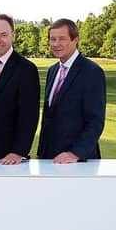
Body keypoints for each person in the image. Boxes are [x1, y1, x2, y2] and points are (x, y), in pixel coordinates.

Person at [0, 14, 40, 165]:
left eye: (4, 35)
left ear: (13, 36)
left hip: (11, 159)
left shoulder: (26, 69)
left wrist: (18, 151)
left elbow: (29, 116)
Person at [37, 18, 106, 163]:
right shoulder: (53, 71)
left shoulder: (92, 72)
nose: (56, 44)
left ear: (75, 40)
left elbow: (95, 121)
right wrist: (41, 152)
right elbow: (48, 118)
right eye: (52, 39)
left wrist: (75, 154)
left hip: (77, 162)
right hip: (49, 159)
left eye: (62, 39)